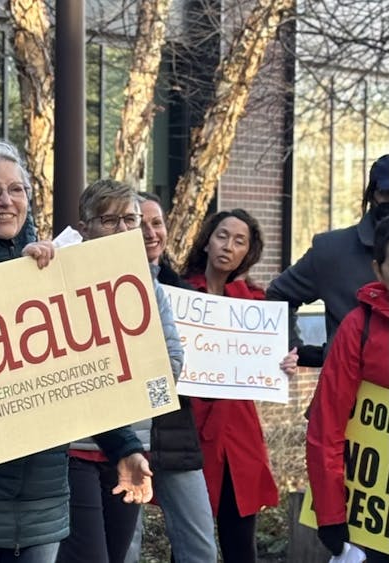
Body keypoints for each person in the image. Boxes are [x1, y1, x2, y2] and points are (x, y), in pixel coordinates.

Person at [0, 141, 152, 563]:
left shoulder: (57, 267)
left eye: (16, 190)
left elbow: (78, 370)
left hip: (43, 498)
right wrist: (21, 280)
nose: (6, 201)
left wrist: (124, 447)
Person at [55, 182, 194, 563]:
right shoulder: (57, 276)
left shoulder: (149, 283)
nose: (121, 230)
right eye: (109, 220)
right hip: (74, 447)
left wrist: (113, 380)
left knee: (117, 554)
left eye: (129, 220)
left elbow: (172, 360)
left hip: (132, 442)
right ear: (85, 229)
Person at [180, 209, 298, 562]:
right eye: (222, 236)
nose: (228, 246)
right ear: (207, 241)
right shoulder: (181, 293)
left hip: (240, 436)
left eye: (239, 241)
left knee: (241, 545)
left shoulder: (256, 304)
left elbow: (276, 353)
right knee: (188, 542)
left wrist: (286, 362)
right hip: (192, 428)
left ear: (248, 252)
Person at [120, 192, 216, 563]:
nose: (149, 232)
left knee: (200, 545)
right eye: (137, 223)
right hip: (125, 433)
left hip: (174, 430)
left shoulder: (187, 294)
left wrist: (278, 363)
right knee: (126, 545)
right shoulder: (96, 290)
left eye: (156, 222)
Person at [306, 217, 389, 563]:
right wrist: (331, 514)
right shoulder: (360, 325)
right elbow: (328, 424)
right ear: (378, 268)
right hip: (375, 516)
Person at [267, 155, 389, 366]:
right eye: (387, 193)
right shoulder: (333, 250)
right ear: (372, 195)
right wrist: (302, 351)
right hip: (348, 389)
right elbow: (278, 295)